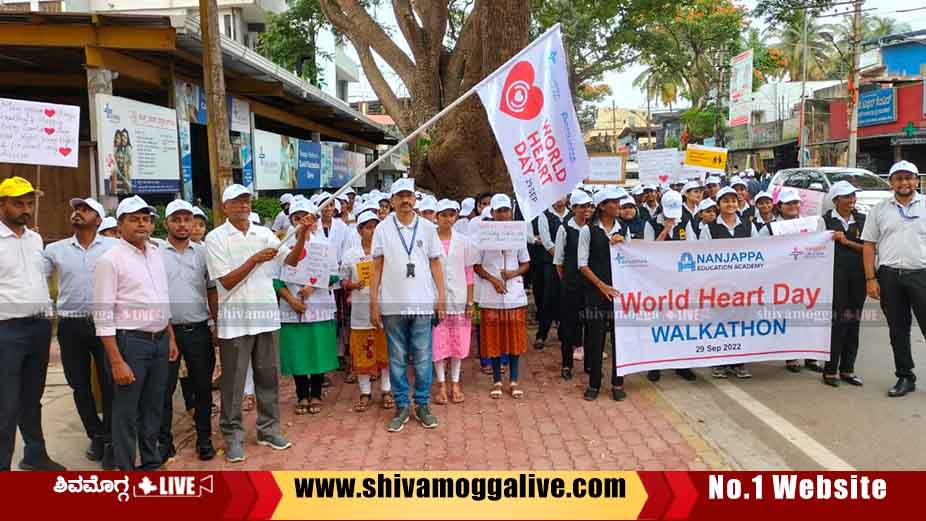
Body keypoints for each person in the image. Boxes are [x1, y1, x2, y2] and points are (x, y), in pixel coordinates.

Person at [205, 184, 302, 463]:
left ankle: (269, 429)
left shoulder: (264, 233)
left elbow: (291, 261)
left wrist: (303, 234)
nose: (243, 206)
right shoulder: (216, 238)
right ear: (225, 207)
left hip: (267, 319)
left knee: (269, 377)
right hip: (235, 321)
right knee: (233, 384)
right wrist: (255, 259)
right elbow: (226, 281)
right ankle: (233, 436)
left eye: (246, 201)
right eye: (236, 202)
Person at [92, 195, 178, 471]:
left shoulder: (155, 252)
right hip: (130, 343)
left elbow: (161, 299)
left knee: (154, 406)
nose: (142, 224)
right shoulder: (110, 260)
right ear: (119, 226)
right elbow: (103, 316)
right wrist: (117, 361)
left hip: (159, 341)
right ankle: (126, 470)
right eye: (134, 219)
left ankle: (150, 463)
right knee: (126, 411)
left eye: (146, 219)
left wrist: (170, 337)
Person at [43, 196, 116, 468]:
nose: (78, 213)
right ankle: (95, 434)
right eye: (75, 209)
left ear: (98, 219)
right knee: (79, 384)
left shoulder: (114, 247)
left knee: (111, 383)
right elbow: (34, 274)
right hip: (71, 324)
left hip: (105, 323)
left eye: (85, 210)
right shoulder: (54, 250)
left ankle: (110, 439)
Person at [369, 178, 447, 432]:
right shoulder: (382, 229)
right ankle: (402, 406)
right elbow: (377, 265)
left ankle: (422, 405)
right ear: (391, 201)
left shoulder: (427, 227)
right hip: (392, 304)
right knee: (397, 357)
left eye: (409, 196)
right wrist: (373, 302)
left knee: (424, 357)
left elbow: (436, 263)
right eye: (400, 196)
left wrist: (442, 297)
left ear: (415, 199)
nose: (405, 201)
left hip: (423, 304)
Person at [0, 177, 65, 471]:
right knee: (6, 405)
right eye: (18, 203)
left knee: (32, 398)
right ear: (2, 205)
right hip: (7, 332)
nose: (26, 209)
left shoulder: (35, 238)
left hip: (38, 329)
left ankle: (35, 455)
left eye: (29, 203)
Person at [157, 200, 218, 462]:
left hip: (198, 329)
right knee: (163, 388)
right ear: (166, 223)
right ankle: (163, 441)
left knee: (203, 387)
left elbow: (212, 290)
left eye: (187, 220)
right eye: (176, 219)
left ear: (194, 224)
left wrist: (217, 325)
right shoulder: (155, 252)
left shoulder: (204, 253)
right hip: (165, 331)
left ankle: (204, 437)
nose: (183, 225)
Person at [862, 160, 926, 398]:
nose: (904, 182)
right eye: (898, 178)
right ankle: (905, 376)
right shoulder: (879, 210)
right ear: (891, 183)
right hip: (889, 276)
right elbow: (868, 245)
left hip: (921, 274)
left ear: (916, 180)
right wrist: (871, 278)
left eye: (908, 177)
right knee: (897, 330)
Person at [275, 200, 338, 416]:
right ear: (291, 220)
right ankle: (302, 394)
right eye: (297, 217)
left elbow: (335, 273)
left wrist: (313, 286)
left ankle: (317, 394)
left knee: (317, 351)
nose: (304, 222)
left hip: (319, 306)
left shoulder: (325, 245)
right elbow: (275, 279)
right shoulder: (281, 246)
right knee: (298, 353)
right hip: (291, 307)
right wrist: (291, 300)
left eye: (308, 217)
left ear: (315, 220)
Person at [757, 187, 828, 373]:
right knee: (789, 318)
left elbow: (824, 245)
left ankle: (811, 356)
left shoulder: (812, 225)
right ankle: (791, 356)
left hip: (808, 279)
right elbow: (758, 251)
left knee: (810, 317)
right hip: (783, 281)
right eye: (788, 203)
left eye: (796, 202)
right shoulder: (769, 228)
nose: (793, 206)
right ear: (779, 206)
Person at [473, 195, 530, 399]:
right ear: (493, 213)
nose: (503, 214)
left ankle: (514, 380)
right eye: (499, 211)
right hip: (491, 295)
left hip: (514, 293)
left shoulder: (518, 234)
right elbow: (476, 265)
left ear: (510, 212)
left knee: (514, 341)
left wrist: (512, 274)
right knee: (494, 340)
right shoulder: (483, 236)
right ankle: (497, 380)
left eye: (506, 210)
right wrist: (493, 279)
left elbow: (525, 262)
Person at [697, 187, 757, 379]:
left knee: (740, 322)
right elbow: (702, 255)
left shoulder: (748, 226)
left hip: (742, 287)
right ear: (718, 204)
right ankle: (720, 362)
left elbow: (759, 252)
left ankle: (739, 363)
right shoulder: (709, 229)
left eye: (733, 200)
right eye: (725, 201)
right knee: (719, 322)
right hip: (718, 286)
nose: (730, 204)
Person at [579, 187, 628, 401]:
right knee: (596, 339)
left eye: (619, 202)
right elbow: (582, 264)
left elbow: (633, 258)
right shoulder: (588, 231)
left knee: (620, 339)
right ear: (602, 206)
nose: (619, 206)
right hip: (596, 292)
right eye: (614, 202)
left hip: (619, 293)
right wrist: (601, 286)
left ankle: (618, 383)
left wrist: (624, 244)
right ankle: (594, 383)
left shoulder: (624, 229)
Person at [342, 211, 393, 412]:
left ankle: (387, 390)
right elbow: (342, 280)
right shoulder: (351, 254)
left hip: (383, 306)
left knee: (385, 350)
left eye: (374, 226)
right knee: (362, 350)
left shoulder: (386, 252)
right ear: (359, 230)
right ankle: (365, 392)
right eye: (367, 227)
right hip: (360, 309)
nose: (371, 231)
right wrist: (352, 285)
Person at [822, 181, 867, 388]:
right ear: (835, 200)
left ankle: (848, 369)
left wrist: (846, 241)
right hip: (835, 279)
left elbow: (869, 249)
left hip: (858, 278)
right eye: (846, 197)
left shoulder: (863, 220)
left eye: (853, 197)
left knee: (853, 322)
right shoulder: (824, 222)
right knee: (837, 323)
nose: (851, 201)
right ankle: (830, 370)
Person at [431, 199, 475, 405]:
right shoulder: (429, 240)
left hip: (458, 298)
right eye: (444, 215)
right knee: (438, 342)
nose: (448, 219)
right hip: (435, 299)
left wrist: (470, 301)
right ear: (436, 217)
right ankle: (441, 383)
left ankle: (455, 382)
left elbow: (468, 273)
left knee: (458, 340)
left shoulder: (463, 241)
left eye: (451, 215)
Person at [554, 190, 593, 380]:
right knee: (570, 326)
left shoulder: (594, 228)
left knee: (590, 326)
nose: (587, 209)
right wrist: (568, 281)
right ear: (574, 208)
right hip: (571, 284)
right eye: (583, 206)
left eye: (589, 206)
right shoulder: (565, 229)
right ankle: (567, 364)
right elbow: (559, 261)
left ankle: (589, 364)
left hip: (591, 284)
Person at [534, 197, 569, 351]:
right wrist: (560, 259)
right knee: (548, 298)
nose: (558, 199)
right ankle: (541, 334)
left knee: (567, 298)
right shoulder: (544, 216)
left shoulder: (572, 214)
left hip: (570, 265)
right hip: (551, 263)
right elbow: (547, 242)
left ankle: (565, 333)